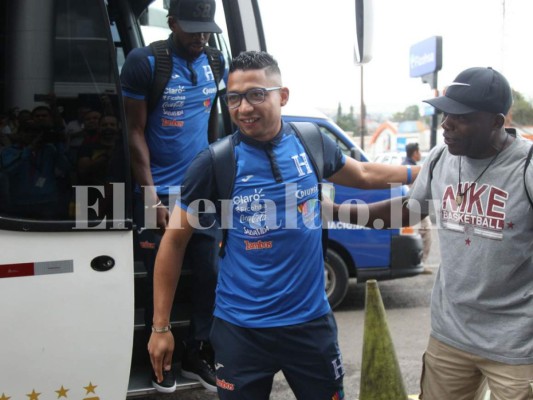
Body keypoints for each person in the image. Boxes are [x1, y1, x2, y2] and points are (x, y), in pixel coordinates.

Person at [147, 50, 420, 399]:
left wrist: (421, 172)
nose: (244, 108)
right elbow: (173, 243)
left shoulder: (311, 142)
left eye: (257, 94)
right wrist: (160, 327)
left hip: (310, 326)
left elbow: (365, 173)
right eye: (234, 98)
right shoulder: (215, 161)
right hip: (240, 331)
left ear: (283, 96)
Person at [332, 67, 533, 400]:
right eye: (445, 113)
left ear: (497, 122)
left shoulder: (525, 168)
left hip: (516, 344)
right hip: (450, 336)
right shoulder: (441, 158)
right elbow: (405, 210)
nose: (445, 125)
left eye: (460, 117)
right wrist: (332, 212)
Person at [120, 0, 225, 392]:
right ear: (172, 22)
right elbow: (134, 132)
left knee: (210, 274)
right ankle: (158, 359)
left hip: (199, 192)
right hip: (156, 191)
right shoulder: (145, 62)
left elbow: (214, 120)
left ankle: (197, 352)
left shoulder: (215, 63)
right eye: (193, 28)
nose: (200, 36)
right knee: (157, 279)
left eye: (206, 29)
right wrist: (150, 195)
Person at [402, 142, 432, 273]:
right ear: (415, 153)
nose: (420, 154)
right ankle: (421, 263)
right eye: (419, 152)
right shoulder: (412, 168)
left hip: (409, 207)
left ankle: (416, 262)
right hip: (415, 207)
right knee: (426, 232)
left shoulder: (406, 165)